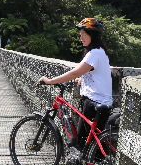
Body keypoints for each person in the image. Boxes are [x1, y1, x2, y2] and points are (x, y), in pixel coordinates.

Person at [38, 18, 112, 150]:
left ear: (92, 35)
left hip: (93, 102)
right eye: (81, 34)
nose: (81, 37)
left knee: (84, 143)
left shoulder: (94, 53)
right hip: (101, 101)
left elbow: (74, 73)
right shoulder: (100, 51)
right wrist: (83, 79)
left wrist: (49, 81)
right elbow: (94, 73)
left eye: (84, 34)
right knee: (92, 144)